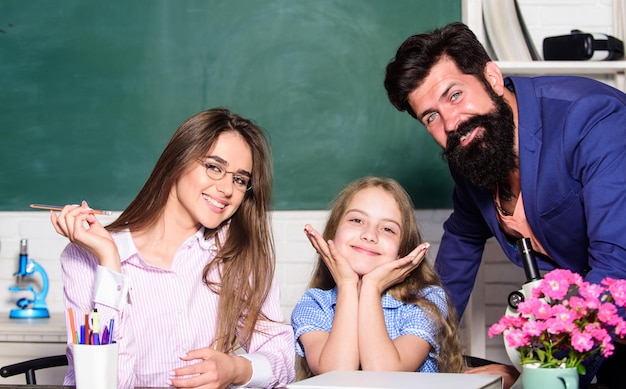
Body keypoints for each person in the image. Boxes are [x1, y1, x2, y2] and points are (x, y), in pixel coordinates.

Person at [383, 22, 626, 389]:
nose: (451, 123)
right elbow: (460, 250)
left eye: (454, 95)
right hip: (599, 333)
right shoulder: (471, 148)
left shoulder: (592, 119)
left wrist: (536, 371)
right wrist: (418, 358)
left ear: (492, 77)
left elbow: (616, 270)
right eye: (430, 116)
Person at [50, 108, 295, 388]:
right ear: (178, 160)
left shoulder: (237, 254)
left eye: (239, 179)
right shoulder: (85, 256)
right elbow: (103, 383)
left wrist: (237, 369)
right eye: (214, 167)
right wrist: (109, 262)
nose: (227, 189)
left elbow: (283, 356)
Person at [290, 176, 465, 380]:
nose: (370, 235)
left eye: (388, 229)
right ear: (333, 233)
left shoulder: (426, 301)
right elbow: (337, 374)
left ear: (402, 251)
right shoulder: (314, 304)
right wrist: (347, 285)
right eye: (357, 220)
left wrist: (371, 287)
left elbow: (383, 374)